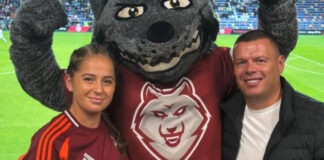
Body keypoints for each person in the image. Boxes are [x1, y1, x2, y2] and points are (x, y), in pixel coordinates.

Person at [222, 30, 324, 160]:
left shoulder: (319, 119)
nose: (250, 69)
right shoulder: (223, 115)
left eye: (260, 60)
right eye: (241, 62)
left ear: (280, 64)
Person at [19, 43, 128, 160]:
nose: (99, 89)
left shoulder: (112, 129)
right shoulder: (52, 141)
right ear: (69, 82)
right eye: (88, 79)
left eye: (107, 81)